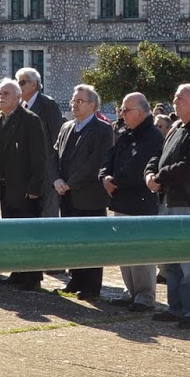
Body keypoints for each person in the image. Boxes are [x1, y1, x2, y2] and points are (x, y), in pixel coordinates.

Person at [145, 83, 190, 329]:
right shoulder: (177, 127)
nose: (175, 102)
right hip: (168, 200)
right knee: (171, 260)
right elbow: (158, 155)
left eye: (180, 98)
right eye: (175, 97)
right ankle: (175, 308)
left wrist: (160, 176)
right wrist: (149, 174)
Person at [101, 92, 163, 311]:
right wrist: (105, 176)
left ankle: (145, 296)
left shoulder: (152, 135)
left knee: (141, 250)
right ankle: (130, 291)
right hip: (121, 200)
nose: (122, 114)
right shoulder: (125, 132)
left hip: (140, 201)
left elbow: (139, 164)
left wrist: (114, 180)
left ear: (140, 112)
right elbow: (110, 156)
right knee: (124, 250)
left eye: (126, 110)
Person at [0, 77, 48, 290]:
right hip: (4, 187)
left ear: (18, 97)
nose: (1, 97)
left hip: (24, 189)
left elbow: (39, 157)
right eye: (0, 94)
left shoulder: (30, 120)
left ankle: (32, 277)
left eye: (6, 94)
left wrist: (33, 189)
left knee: (28, 233)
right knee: (12, 232)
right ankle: (17, 271)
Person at [54, 84, 114, 300]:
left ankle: (91, 286)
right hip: (67, 196)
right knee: (73, 240)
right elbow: (54, 155)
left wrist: (70, 182)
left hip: (89, 196)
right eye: (73, 101)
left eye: (79, 101)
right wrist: (57, 179)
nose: (74, 105)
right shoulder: (67, 127)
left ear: (93, 105)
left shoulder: (103, 129)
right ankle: (76, 278)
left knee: (92, 241)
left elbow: (95, 162)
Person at [16, 67, 63, 217]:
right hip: (27, 173)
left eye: (22, 82)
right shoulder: (20, 107)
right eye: (17, 82)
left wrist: (54, 172)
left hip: (46, 173)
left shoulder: (47, 104)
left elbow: (56, 138)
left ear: (34, 84)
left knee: (47, 216)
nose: (19, 86)